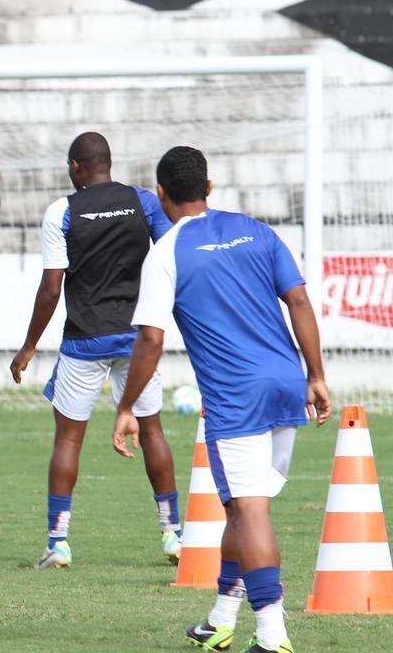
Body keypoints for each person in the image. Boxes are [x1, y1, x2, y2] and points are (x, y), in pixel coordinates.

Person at [114, 146, 330, 653]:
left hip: (236, 395)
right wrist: (316, 375)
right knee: (239, 507)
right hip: (286, 381)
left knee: (249, 511)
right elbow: (298, 299)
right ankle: (221, 619)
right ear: (209, 188)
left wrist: (126, 407)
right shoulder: (256, 231)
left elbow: (150, 339)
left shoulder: (166, 252)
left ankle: (273, 635)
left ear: (160, 194)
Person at [9, 132, 182, 570]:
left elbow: (52, 288)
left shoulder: (62, 211)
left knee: (68, 438)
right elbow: (171, 255)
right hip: (137, 338)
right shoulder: (143, 202)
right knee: (153, 432)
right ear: (109, 161)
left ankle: (59, 542)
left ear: (75, 166)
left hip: (85, 339)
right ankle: (172, 533)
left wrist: (28, 346)